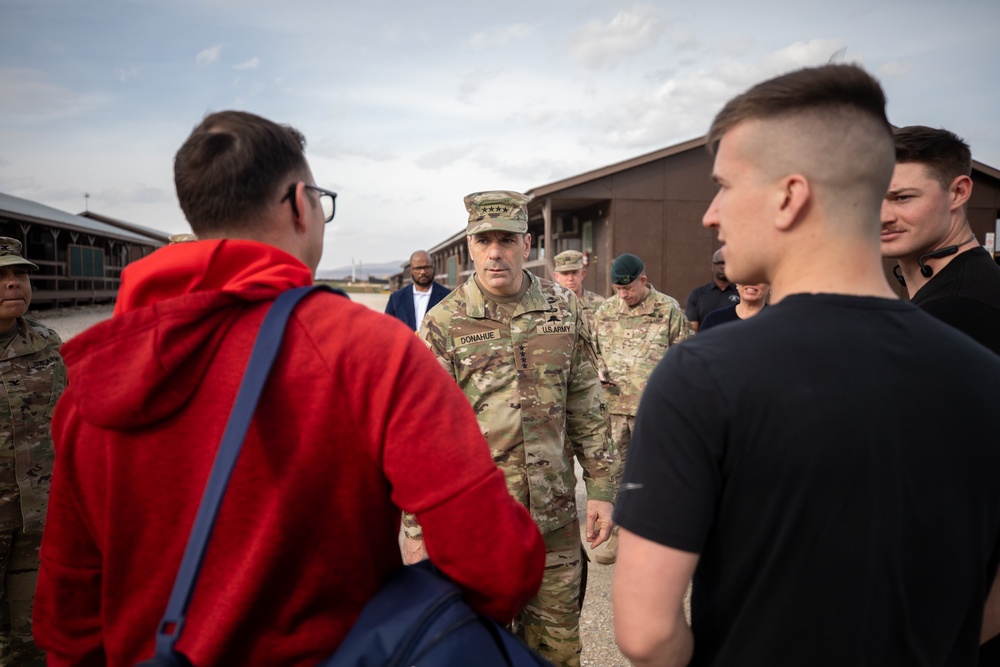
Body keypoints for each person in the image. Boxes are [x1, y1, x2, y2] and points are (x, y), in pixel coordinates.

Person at [32, 111, 545, 666]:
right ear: (302, 204)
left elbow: (68, 622)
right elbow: (498, 566)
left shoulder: (93, 381)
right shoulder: (369, 352)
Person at [612, 64, 1000, 666]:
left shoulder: (702, 376)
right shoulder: (983, 373)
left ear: (790, 197)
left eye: (725, 186)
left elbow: (646, 634)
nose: (711, 214)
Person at [405, 190, 615, 667]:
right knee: (479, 653)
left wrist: (602, 488)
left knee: (558, 652)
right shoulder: (443, 323)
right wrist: (416, 529)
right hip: (479, 528)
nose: (495, 253)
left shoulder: (563, 307)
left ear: (527, 244)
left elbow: (586, 401)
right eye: (484, 241)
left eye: (506, 240)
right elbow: (423, 435)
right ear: (470, 247)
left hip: (554, 523)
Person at [590, 254, 692, 565]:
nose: (623, 295)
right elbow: (593, 351)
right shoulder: (605, 311)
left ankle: (657, 536)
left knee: (656, 474)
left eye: (628, 288)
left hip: (654, 411)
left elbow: (684, 359)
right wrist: (599, 370)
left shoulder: (668, 309)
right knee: (615, 472)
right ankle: (618, 532)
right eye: (618, 289)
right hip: (614, 409)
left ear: (643, 281)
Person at [0, 237, 65, 667]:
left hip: (37, 522)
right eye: (0, 275)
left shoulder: (46, 343)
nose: (13, 283)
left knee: (34, 636)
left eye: (20, 273)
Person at [881, 125, 1000, 355]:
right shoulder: (970, 290)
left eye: (902, 197)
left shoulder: (958, 310)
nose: (882, 217)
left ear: (958, 192)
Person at [384, 250, 451, 330]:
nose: (423, 272)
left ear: (433, 268)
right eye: (418, 268)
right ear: (411, 271)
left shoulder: (448, 297)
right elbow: (386, 328)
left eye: (426, 267)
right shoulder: (396, 298)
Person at [684, 248, 739, 331]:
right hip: (705, 338)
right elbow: (692, 328)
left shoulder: (741, 293)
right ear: (712, 267)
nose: (722, 266)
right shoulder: (697, 294)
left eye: (725, 263)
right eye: (719, 263)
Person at [553, 250, 605, 325]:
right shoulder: (548, 306)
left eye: (574, 272)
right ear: (556, 276)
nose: (570, 278)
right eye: (565, 273)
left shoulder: (600, 304)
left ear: (583, 274)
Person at [698, 282, 769, 330]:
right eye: (746, 276)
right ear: (736, 283)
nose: (751, 282)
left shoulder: (775, 322)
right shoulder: (714, 320)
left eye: (759, 277)